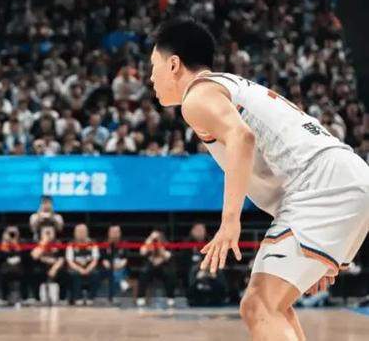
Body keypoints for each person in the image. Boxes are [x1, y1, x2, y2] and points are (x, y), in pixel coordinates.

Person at [149, 18, 369, 340]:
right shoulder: (231, 86)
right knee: (274, 305)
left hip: (320, 184)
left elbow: (242, 138)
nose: (150, 77)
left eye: (152, 66)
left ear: (173, 64)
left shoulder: (198, 95)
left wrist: (229, 222)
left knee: (258, 305)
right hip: (342, 177)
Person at [136, 230, 176, 307]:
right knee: (144, 273)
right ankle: (141, 297)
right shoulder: (148, 244)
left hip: (163, 267)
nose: (155, 240)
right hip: (150, 267)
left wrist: (160, 248)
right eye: (153, 238)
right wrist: (148, 243)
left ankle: (170, 298)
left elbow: (168, 256)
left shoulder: (166, 245)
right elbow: (142, 252)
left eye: (157, 238)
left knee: (170, 274)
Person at [65, 223, 99, 305]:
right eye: (79, 231)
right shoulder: (71, 244)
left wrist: (88, 269)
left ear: (87, 232)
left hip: (89, 269)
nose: (81, 234)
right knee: (74, 275)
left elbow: (95, 260)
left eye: (83, 231)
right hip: (75, 269)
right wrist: (80, 269)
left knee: (96, 274)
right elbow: (69, 261)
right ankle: (78, 297)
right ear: (75, 233)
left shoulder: (93, 243)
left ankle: (90, 298)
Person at [99, 225, 129, 301]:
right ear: (109, 233)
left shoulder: (124, 243)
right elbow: (104, 261)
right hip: (108, 268)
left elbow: (125, 260)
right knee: (111, 273)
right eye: (113, 232)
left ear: (120, 233)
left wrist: (118, 266)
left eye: (117, 232)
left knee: (118, 272)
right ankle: (121, 282)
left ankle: (113, 295)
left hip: (121, 268)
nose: (115, 234)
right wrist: (111, 267)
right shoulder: (104, 244)